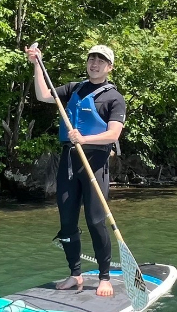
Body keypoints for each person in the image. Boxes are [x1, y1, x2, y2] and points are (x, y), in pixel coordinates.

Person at [24, 43, 126, 297]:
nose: (94, 64)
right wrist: (37, 63)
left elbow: (113, 134)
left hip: (96, 162)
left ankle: (104, 277)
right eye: (92, 59)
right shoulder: (74, 88)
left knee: (95, 221)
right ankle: (75, 274)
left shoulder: (114, 98)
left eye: (101, 61)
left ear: (109, 68)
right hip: (69, 161)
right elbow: (43, 94)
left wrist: (85, 139)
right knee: (67, 221)